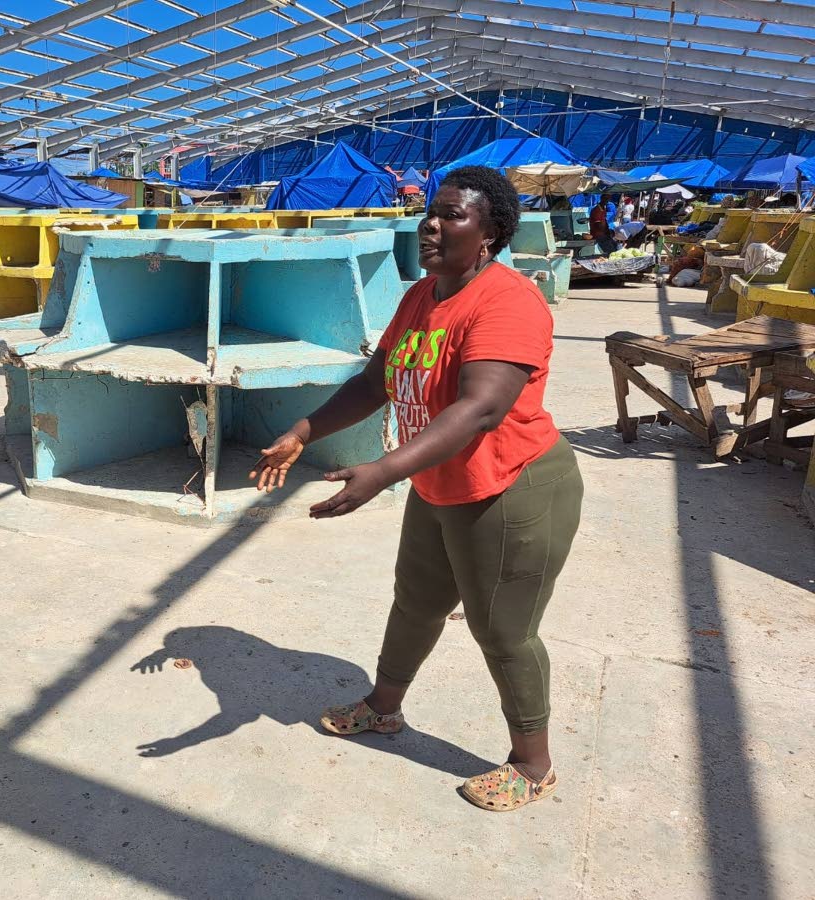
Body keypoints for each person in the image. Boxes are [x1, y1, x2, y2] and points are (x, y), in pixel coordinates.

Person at [249, 166, 584, 812]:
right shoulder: (422, 297)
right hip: (440, 482)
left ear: (488, 234)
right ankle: (384, 706)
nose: (431, 223)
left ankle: (533, 764)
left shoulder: (508, 302)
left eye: (452, 214)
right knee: (415, 602)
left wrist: (382, 472)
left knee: (503, 630)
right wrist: (303, 429)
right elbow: (377, 382)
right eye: (430, 211)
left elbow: (481, 409)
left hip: (511, 488)